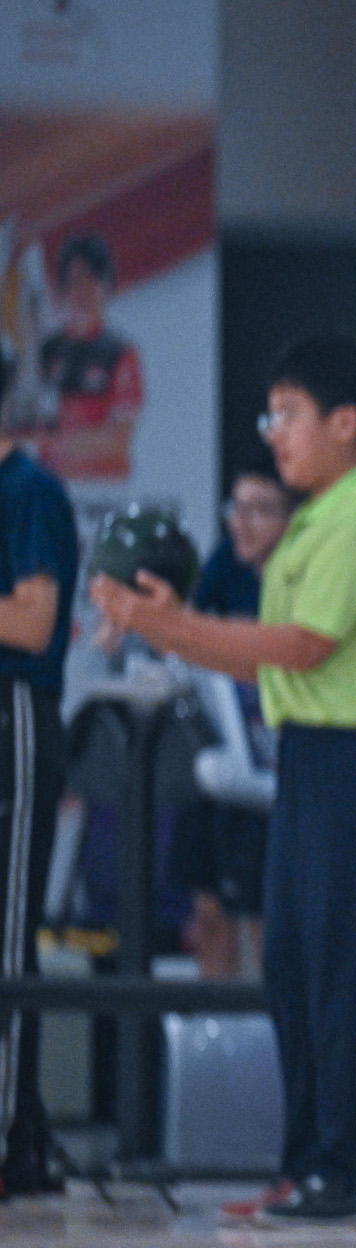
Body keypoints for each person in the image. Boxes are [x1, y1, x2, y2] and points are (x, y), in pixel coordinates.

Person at [95, 331, 356, 1225]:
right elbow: (269, 663)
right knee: (294, 965)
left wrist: (167, 628)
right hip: (318, 756)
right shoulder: (314, 518)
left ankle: (349, 1168)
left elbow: (298, 646)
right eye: (271, 414)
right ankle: (306, 1161)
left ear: (346, 422)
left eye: (289, 415)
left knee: (347, 967)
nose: (275, 433)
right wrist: (172, 624)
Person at [167, 450, 293, 980]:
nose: (242, 523)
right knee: (211, 907)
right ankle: (210, 1037)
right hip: (225, 759)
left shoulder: (300, 574)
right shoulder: (224, 564)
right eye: (235, 509)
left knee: (269, 917)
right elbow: (190, 632)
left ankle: (270, 1042)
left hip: (280, 769)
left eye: (259, 510)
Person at [0, 430, 75, 1196]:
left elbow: (32, 622)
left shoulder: (28, 491)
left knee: (8, 932)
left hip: (14, 717)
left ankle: (12, 1137)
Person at [36, 234, 142, 481]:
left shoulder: (120, 353)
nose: (83, 290)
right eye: (75, 281)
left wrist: (57, 441)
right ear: (62, 288)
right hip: (52, 487)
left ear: (106, 286)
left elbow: (118, 440)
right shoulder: (48, 349)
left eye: (92, 279)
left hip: (103, 490)